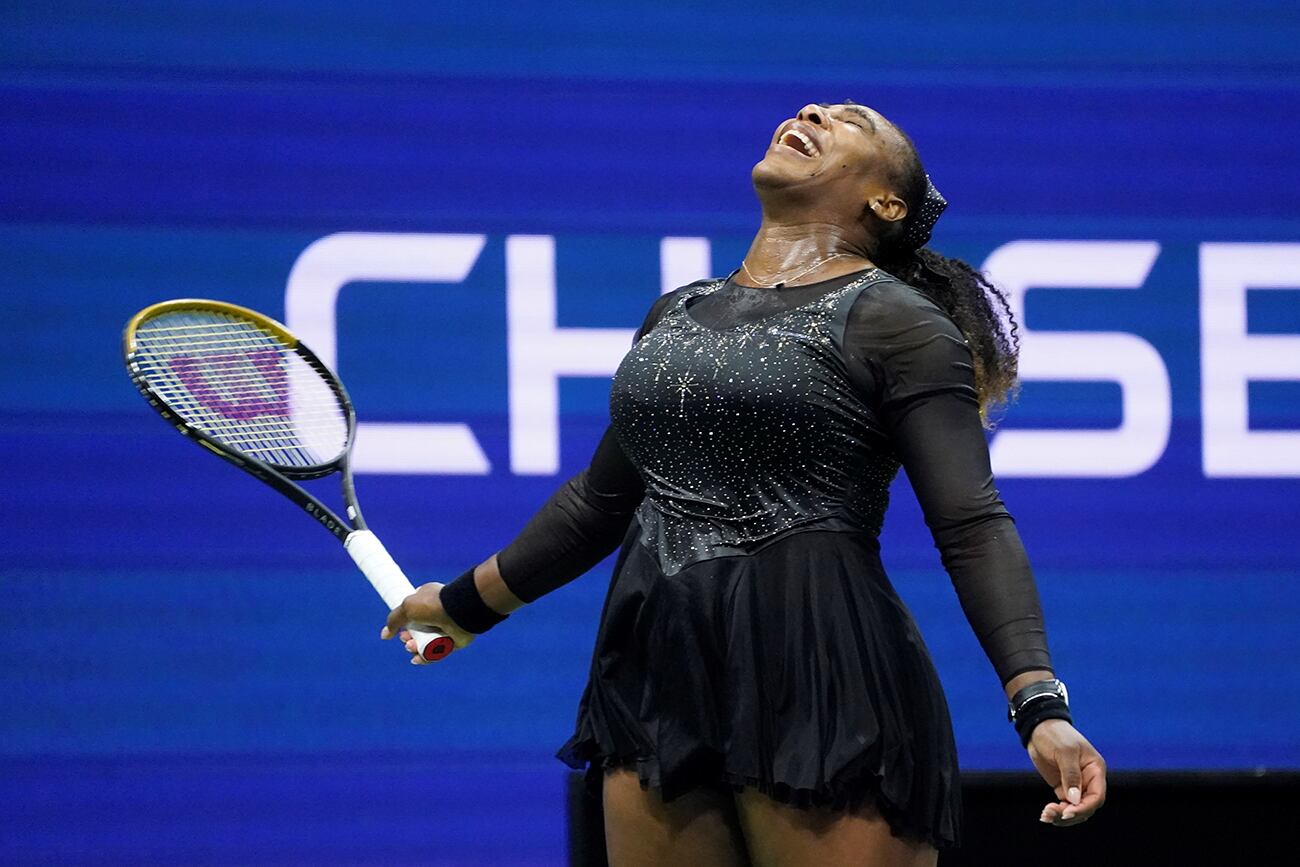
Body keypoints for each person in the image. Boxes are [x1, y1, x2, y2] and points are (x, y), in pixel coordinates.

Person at [383, 101, 1107, 866]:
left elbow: (972, 522)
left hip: (822, 675)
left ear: (885, 203)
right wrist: (461, 605)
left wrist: (1038, 705)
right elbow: (599, 502)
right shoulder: (678, 311)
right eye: (815, 109)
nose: (813, 111)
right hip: (656, 667)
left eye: (850, 120)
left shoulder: (901, 323)